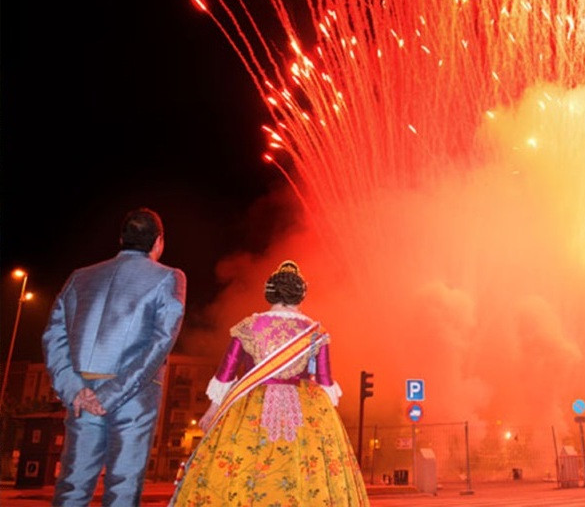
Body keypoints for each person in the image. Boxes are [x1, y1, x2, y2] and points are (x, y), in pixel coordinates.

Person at [170, 260, 369, 506]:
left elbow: (226, 374)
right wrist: (327, 427)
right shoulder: (316, 332)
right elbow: (326, 383)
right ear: (300, 295)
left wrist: (212, 411)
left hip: (251, 406)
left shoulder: (248, 327)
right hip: (306, 408)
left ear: (270, 292)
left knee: (245, 467)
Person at [42, 207, 186, 506]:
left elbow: (53, 337)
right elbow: (159, 344)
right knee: (122, 486)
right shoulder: (169, 277)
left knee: (71, 485)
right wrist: (109, 396)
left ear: (121, 238)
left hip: (81, 393)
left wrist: (74, 388)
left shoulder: (79, 277)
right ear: (159, 241)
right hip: (133, 394)